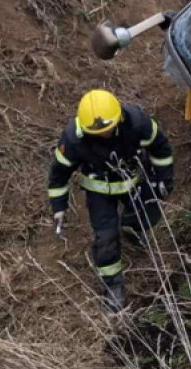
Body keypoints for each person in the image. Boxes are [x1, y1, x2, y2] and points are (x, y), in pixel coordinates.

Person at [47, 90, 174, 311]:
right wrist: (59, 206)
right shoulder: (74, 138)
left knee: (149, 210)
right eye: (98, 132)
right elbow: (59, 173)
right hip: (99, 191)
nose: (104, 135)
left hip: (132, 180)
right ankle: (113, 286)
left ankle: (131, 229)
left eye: (108, 129)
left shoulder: (136, 123)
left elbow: (160, 146)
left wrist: (164, 178)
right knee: (106, 238)